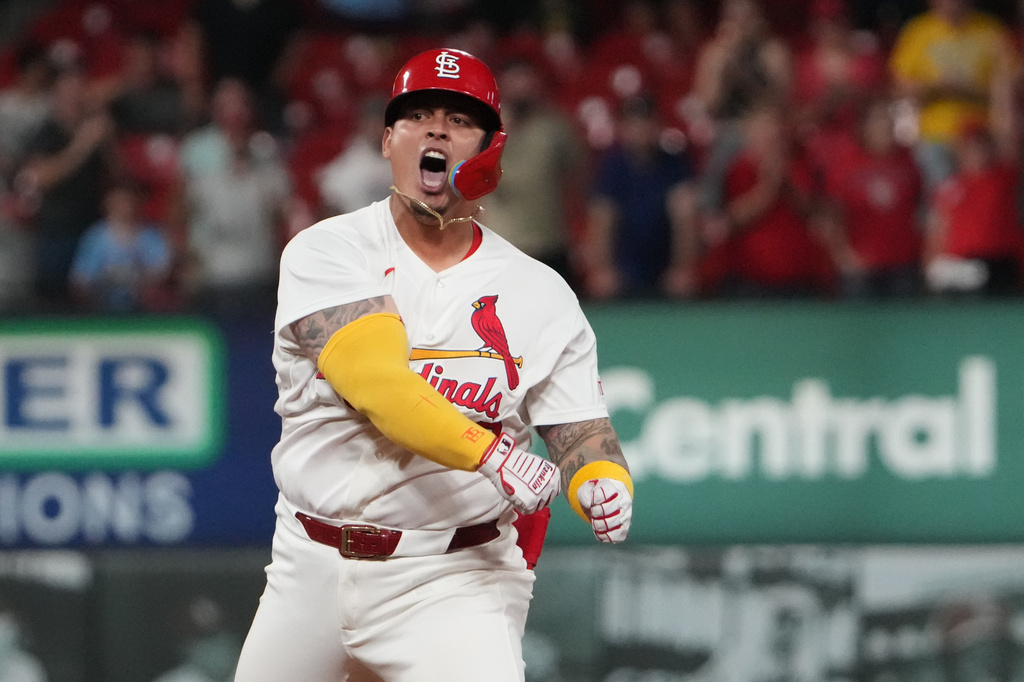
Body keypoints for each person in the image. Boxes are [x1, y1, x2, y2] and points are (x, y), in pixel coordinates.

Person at [234, 47, 633, 682]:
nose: (438, 129)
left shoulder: (541, 293)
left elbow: (580, 432)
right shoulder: (329, 250)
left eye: (460, 118)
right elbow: (382, 389)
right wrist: (494, 455)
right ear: (388, 139)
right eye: (418, 115)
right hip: (309, 568)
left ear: (490, 150)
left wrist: (602, 481)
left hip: (453, 578)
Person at [889, 0, 1020, 192]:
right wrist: (936, 86)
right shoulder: (918, 31)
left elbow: (1010, 82)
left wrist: (969, 89)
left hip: (982, 136)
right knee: (945, 197)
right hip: (937, 136)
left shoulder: (990, 29)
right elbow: (899, 87)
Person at [582, 94, 697, 299]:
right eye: (634, 124)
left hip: (664, 266)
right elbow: (601, 220)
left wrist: (683, 268)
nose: (641, 131)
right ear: (623, 128)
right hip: (624, 268)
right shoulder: (612, 167)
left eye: (647, 123)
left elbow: (685, 218)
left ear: (658, 126)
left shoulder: (675, 165)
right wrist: (602, 270)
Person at [818, 98, 924, 298]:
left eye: (888, 121)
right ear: (864, 126)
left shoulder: (909, 163)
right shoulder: (845, 167)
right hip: (861, 270)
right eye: (878, 121)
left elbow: (921, 211)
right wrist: (844, 256)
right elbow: (829, 216)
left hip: (904, 264)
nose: (884, 126)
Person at [923, 121, 1023, 296]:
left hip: (1000, 261)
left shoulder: (1004, 177)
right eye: (969, 147)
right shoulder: (950, 186)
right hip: (963, 266)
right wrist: (931, 261)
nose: (977, 152)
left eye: (981, 146)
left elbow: (1010, 140)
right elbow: (939, 229)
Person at [69, 180, 173, 313]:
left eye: (127, 202)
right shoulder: (95, 238)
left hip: (145, 313)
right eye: (118, 203)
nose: (124, 208)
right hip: (102, 311)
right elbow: (80, 280)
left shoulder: (153, 237)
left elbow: (162, 273)